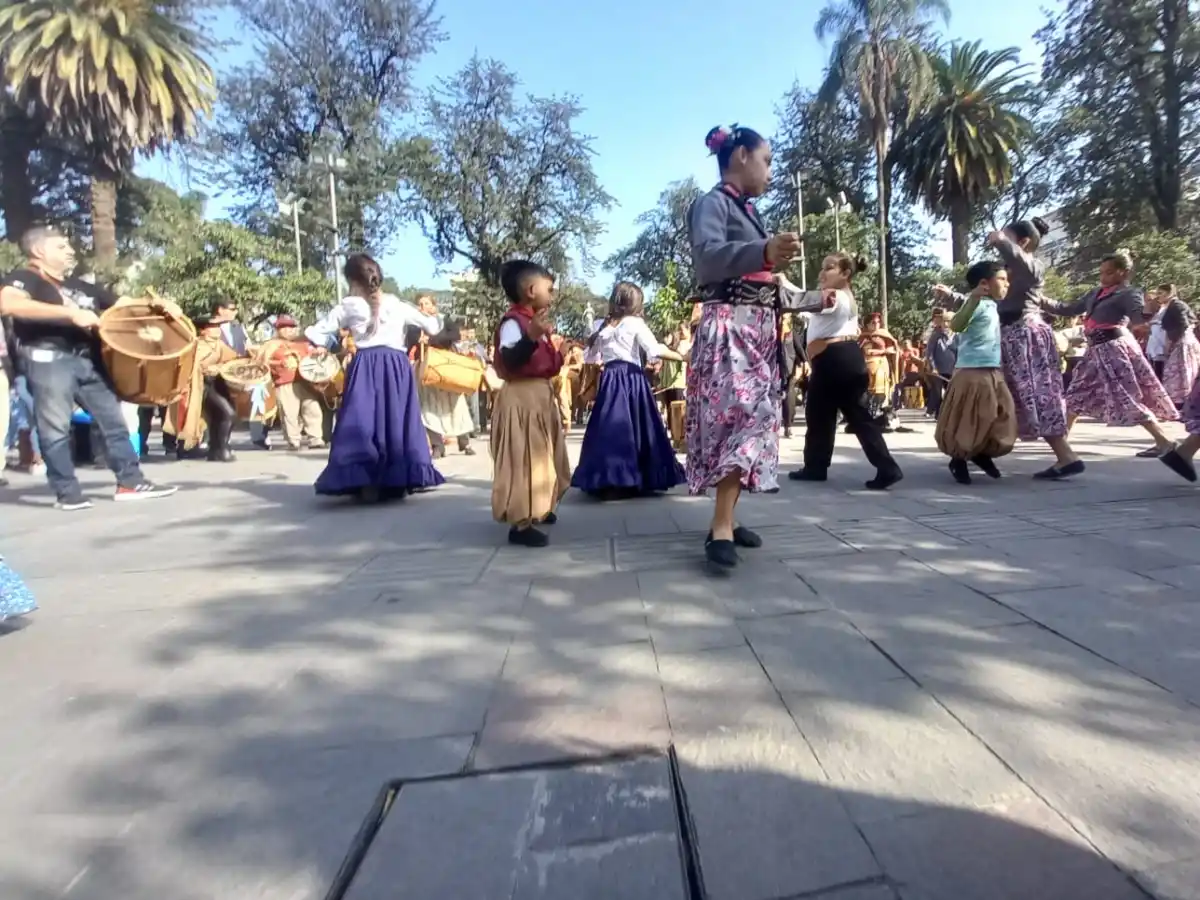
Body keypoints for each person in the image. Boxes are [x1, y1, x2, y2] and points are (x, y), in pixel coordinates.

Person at [686, 124, 802, 570]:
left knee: (750, 420)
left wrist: (816, 299)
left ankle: (728, 521)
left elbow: (765, 283)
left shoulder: (746, 210)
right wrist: (764, 250)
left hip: (755, 328)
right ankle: (720, 527)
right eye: (766, 160)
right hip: (730, 326)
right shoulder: (712, 203)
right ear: (740, 156)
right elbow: (708, 259)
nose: (770, 171)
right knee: (747, 418)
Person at [0, 225, 176, 509]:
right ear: (39, 251)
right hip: (48, 358)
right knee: (55, 428)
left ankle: (130, 482)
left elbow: (123, 305)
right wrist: (70, 314)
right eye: (61, 246)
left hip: (88, 360)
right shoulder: (24, 278)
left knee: (113, 422)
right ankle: (67, 493)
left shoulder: (78, 285)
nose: (70, 250)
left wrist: (158, 306)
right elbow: (9, 304)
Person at [950, 218, 1083, 480]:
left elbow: (1024, 271)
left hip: (1024, 337)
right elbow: (987, 301)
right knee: (1009, 397)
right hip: (1013, 337)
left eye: (1008, 237)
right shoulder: (1010, 273)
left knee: (1029, 396)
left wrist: (1001, 241)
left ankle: (969, 451)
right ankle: (1064, 456)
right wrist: (953, 297)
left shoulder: (1031, 267)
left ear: (1022, 242)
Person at [306, 254, 444, 500]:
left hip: (365, 365)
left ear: (352, 280)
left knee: (362, 419)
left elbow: (317, 332)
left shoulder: (348, 306)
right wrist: (433, 314)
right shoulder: (398, 304)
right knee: (396, 418)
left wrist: (325, 345)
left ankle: (364, 479)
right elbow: (433, 327)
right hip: (396, 366)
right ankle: (397, 478)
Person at [783, 254, 903, 490]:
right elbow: (807, 309)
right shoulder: (843, 298)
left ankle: (817, 467)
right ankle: (884, 466)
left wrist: (781, 283)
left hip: (834, 360)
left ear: (846, 273)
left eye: (829, 268)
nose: (822, 273)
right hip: (842, 359)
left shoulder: (834, 297)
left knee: (822, 415)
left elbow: (799, 301)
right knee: (843, 415)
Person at [1045, 251, 1178, 454]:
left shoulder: (1129, 293)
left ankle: (1164, 440)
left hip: (1114, 348)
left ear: (1123, 272)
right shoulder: (1095, 293)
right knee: (1076, 394)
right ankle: (1062, 443)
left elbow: (1138, 317)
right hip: (1094, 351)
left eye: (1108, 272)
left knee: (1126, 395)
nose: (1103, 277)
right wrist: (1039, 299)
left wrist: (1144, 319)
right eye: (1101, 272)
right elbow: (1069, 308)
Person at [572, 281, 686, 499]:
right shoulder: (635, 323)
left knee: (609, 427)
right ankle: (639, 476)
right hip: (632, 378)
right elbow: (654, 350)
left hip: (610, 379)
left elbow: (590, 356)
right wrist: (682, 357)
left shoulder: (601, 326)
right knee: (637, 426)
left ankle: (609, 479)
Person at [489, 259, 572, 547]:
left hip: (540, 397)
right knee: (524, 459)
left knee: (544, 457)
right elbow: (511, 359)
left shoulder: (534, 323)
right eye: (549, 289)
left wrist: (560, 352)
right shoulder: (514, 322)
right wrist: (531, 337)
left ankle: (540, 505)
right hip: (522, 399)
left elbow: (545, 364)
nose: (553, 294)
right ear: (531, 290)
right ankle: (520, 523)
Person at [933, 261, 1017, 484]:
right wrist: (972, 298)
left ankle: (981, 451)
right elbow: (957, 325)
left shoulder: (992, 305)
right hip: (972, 372)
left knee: (1001, 415)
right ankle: (959, 459)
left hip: (992, 371)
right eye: (1002, 279)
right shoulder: (976, 303)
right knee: (968, 418)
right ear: (984, 283)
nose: (1007, 284)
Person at [262, 314, 326, 451]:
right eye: (284, 327)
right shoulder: (271, 345)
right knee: (289, 413)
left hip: (305, 382)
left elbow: (313, 356)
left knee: (312, 409)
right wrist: (279, 363)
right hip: (284, 382)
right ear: (277, 329)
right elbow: (262, 363)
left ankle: (315, 438)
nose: (288, 330)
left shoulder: (303, 343)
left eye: (291, 327)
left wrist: (319, 352)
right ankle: (293, 440)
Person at [416, 312, 476, 458]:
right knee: (429, 407)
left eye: (427, 303)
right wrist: (417, 339)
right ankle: (437, 446)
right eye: (421, 304)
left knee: (457, 405)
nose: (424, 307)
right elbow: (408, 339)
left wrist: (431, 339)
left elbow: (455, 335)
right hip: (428, 366)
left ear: (433, 306)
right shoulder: (417, 322)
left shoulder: (444, 320)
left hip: (446, 363)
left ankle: (464, 442)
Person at [858, 312, 899, 432]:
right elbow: (864, 351)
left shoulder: (884, 335)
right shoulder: (863, 336)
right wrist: (883, 351)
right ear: (867, 324)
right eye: (873, 322)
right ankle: (868, 419)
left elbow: (893, 348)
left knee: (882, 393)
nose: (876, 324)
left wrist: (887, 351)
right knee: (869, 394)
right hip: (868, 366)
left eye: (878, 322)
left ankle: (883, 419)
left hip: (882, 366)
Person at [923, 307, 957, 418]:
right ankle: (938, 414)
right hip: (937, 370)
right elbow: (929, 352)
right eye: (944, 321)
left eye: (949, 321)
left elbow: (961, 352)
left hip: (952, 370)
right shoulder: (936, 335)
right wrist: (933, 366)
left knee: (951, 393)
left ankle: (949, 414)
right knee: (937, 392)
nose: (946, 324)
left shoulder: (958, 336)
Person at [780, 314, 806, 439]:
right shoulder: (772, 332)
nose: (782, 321)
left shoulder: (791, 333)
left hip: (789, 370)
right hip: (774, 368)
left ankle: (788, 426)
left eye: (785, 319)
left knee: (789, 395)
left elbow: (800, 350)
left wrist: (804, 363)